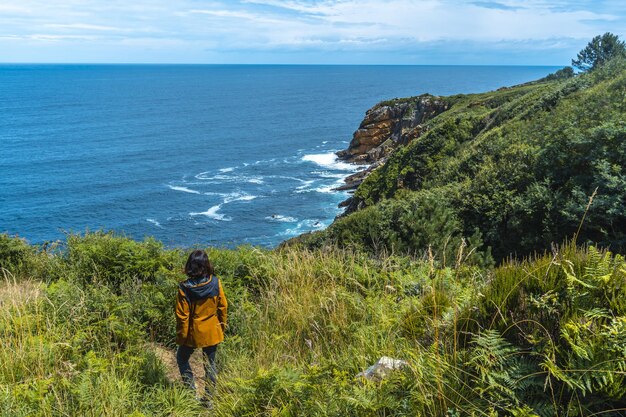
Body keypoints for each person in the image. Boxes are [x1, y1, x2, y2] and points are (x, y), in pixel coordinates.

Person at [175, 249, 228, 401]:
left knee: (182, 359)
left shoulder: (184, 288)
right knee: (210, 365)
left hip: (192, 332)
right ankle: (209, 400)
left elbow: (182, 317)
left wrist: (182, 338)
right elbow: (223, 307)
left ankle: (191, 394)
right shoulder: (215, 282)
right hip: (212, 330)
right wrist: (221, 328)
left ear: (190, 265)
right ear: (206, 265)